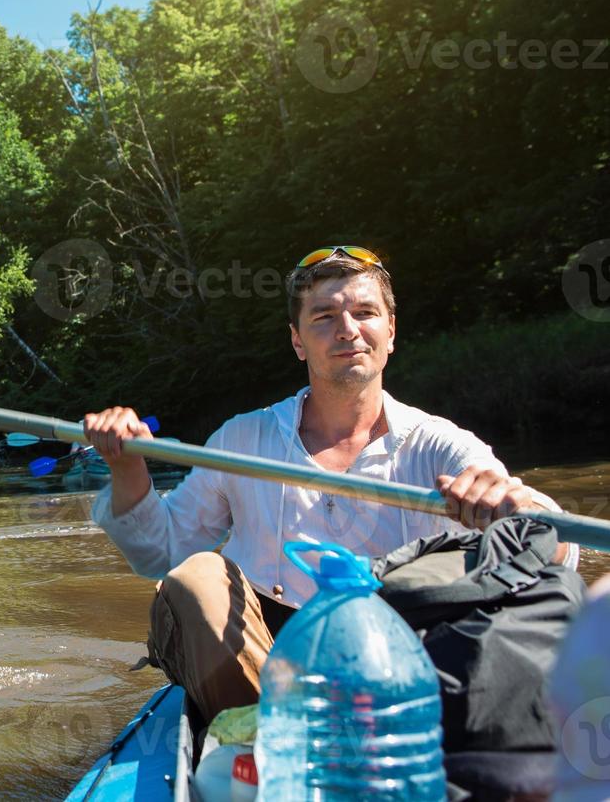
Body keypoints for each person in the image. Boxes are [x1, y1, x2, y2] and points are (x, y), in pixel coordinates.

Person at [83, 246, 577, 725]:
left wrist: (518, 505)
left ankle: (379, 731)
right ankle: (275, 737)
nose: (348, 330)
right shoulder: (241, 439)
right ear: (297, 340)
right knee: (194, 578)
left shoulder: (440, 444)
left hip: (400, 652)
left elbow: (559, 551)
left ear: (390, 332)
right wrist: (129, 469)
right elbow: (160, 553)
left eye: (365, 312)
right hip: (265, 659)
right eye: (323, 317)